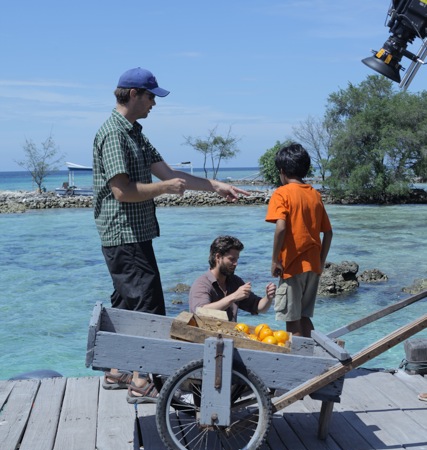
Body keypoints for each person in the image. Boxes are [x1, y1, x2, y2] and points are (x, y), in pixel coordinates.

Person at [93, 67, 250, 403]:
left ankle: (118, 370)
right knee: (148, 304)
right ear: (134, 94)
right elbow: (121, 191)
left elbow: (170, 173)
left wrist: (216, 186)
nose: (154, 103)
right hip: (123, 233)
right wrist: (163, 189)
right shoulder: (114, 134)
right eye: (151, 96)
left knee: (126, 303)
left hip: (136, 232)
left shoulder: (135, 132)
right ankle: (140, 380)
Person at [265, 143, 333, 337]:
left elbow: (281, 226)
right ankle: (319, 357)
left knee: (292, 319)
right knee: (304, 316)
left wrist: (275, 260)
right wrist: (320, 261)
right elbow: (328, 233)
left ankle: (302, 363)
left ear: (282, 171)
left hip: (292, 266)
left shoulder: (281, 193)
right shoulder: (314, 195)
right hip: (312, 266)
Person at [189, 236, 276, 322]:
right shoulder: (202, 284)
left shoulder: (234, 281)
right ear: (218, 257)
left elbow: (259, 308)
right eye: (232, 259)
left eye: (237, 259)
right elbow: (201, 312)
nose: (236, 263)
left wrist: (268, 297)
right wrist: (234, 297)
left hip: (229, 334)